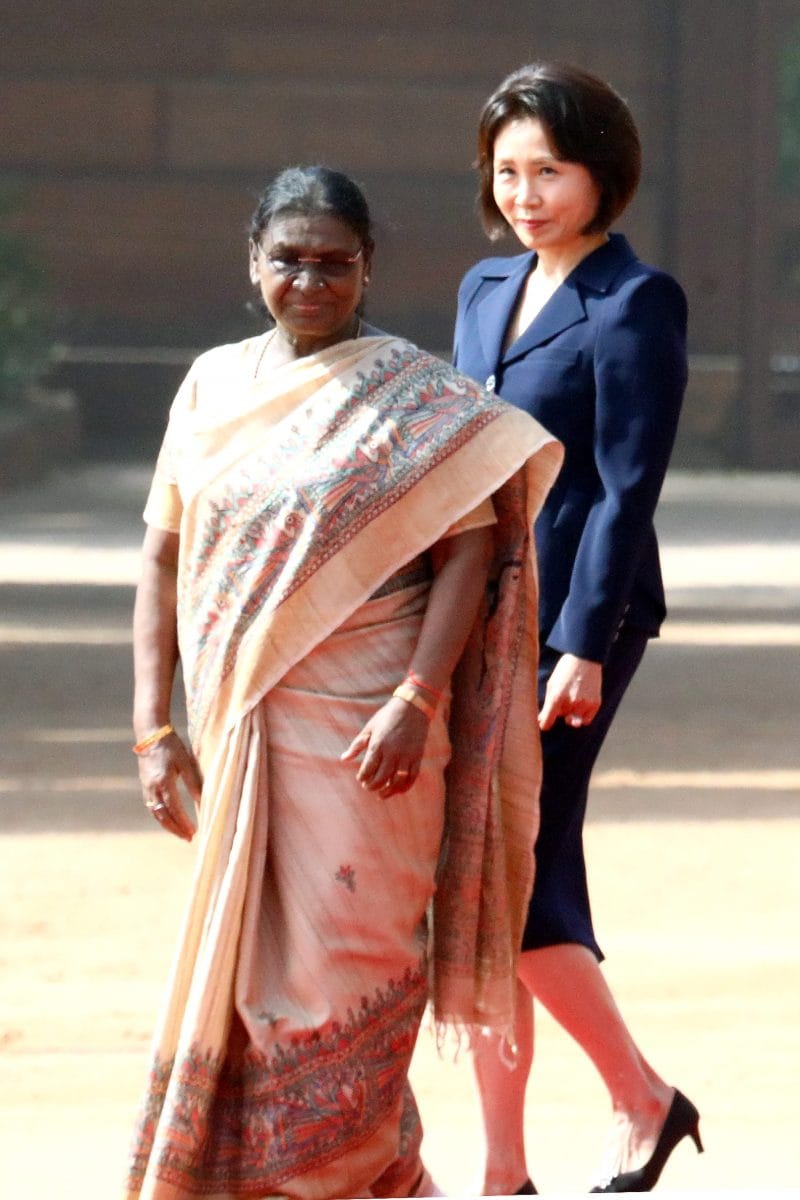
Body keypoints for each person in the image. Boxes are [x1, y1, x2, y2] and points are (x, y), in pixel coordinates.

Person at [126, 165, 562, 1200]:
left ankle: (351, 1173)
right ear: (253, 264)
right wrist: (152, 726)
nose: (309, 279)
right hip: (242, 735)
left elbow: (468, 552)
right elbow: (160, 558)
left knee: (346, 976)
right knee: (252, 987)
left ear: (366, 267)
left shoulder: (416, 399)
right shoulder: (211, 389)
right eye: (289, 259)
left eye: (333, 261)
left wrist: (415, 699)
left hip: (372, 745)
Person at [453, 63, 701, 1195]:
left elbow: (622, 487)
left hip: (576, 621)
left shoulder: (634, 300)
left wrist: (584, 643)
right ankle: (508, 1166)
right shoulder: (480, 287)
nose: (524, 192)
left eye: (546, 169)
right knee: (489, 881)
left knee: (514, 876)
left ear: (601, 171)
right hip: (474, 612)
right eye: (507, 171)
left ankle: (634, 1101)